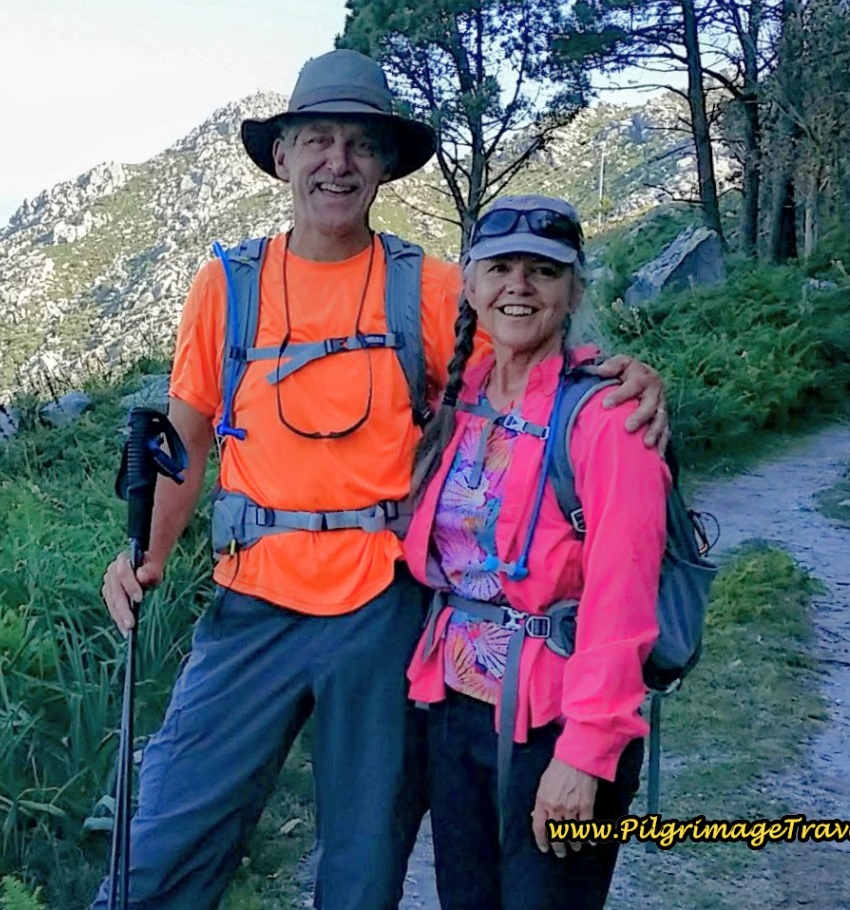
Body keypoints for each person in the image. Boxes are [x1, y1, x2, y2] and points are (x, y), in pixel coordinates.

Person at [93, 50, 669, 910]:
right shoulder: (226, 285)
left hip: (381, 606)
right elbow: (191, 430)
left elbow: (516, 375)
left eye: (360, 145)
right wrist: (144, 555)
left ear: (384, 166)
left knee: (361, 871)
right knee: (164, 837)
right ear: (280, 156)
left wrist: (615, 375)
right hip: (248, 601)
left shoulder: (432, 290)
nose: (338, 161)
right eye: (316, 140)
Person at [402, 194, 665, 910]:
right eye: (500, 268)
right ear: (470, 284)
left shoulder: (608, 417)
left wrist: (585, 753)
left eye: (542, 271)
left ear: (573, 289)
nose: (518, 286)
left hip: (557, 722)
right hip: (455, 712)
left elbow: (621, 597)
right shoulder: (462, 399)